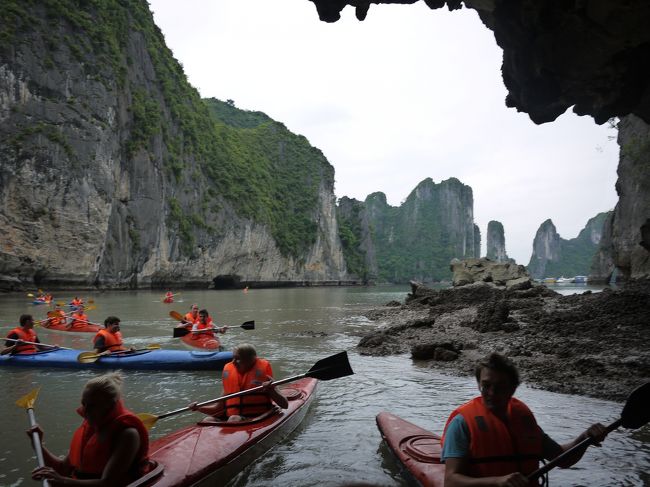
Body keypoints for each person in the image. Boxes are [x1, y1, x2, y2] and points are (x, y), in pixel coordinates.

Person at [441, 353, 608, 487]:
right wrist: (497, 482)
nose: (491, 393)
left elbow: (563, 459)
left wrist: (585, 438)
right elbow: (451, 481)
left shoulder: (524, 421)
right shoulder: (462, 423)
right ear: (479, 385)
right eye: (486, 385)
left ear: (512, 389)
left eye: (499, 387)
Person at [29, 372, 152, 485]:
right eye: (84, 404)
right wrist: (38, 445)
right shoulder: (90, 427)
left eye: (92, 406)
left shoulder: (128, 434)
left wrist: (62, 481)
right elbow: (63, 468)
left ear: (110, 405)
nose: (85, 411)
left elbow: (107, 483)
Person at [189, 343, 288, 421]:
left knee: (234, 418)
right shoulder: (231, 378)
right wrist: (199, 408)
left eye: (238, 359)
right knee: (208, 420)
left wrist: (271, 390)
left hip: (257, 417)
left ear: (251, 360)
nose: (234, 362)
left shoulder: (265, 378)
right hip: (234, 420)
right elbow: (217, 409)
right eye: (234, 358)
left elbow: (285, 405)